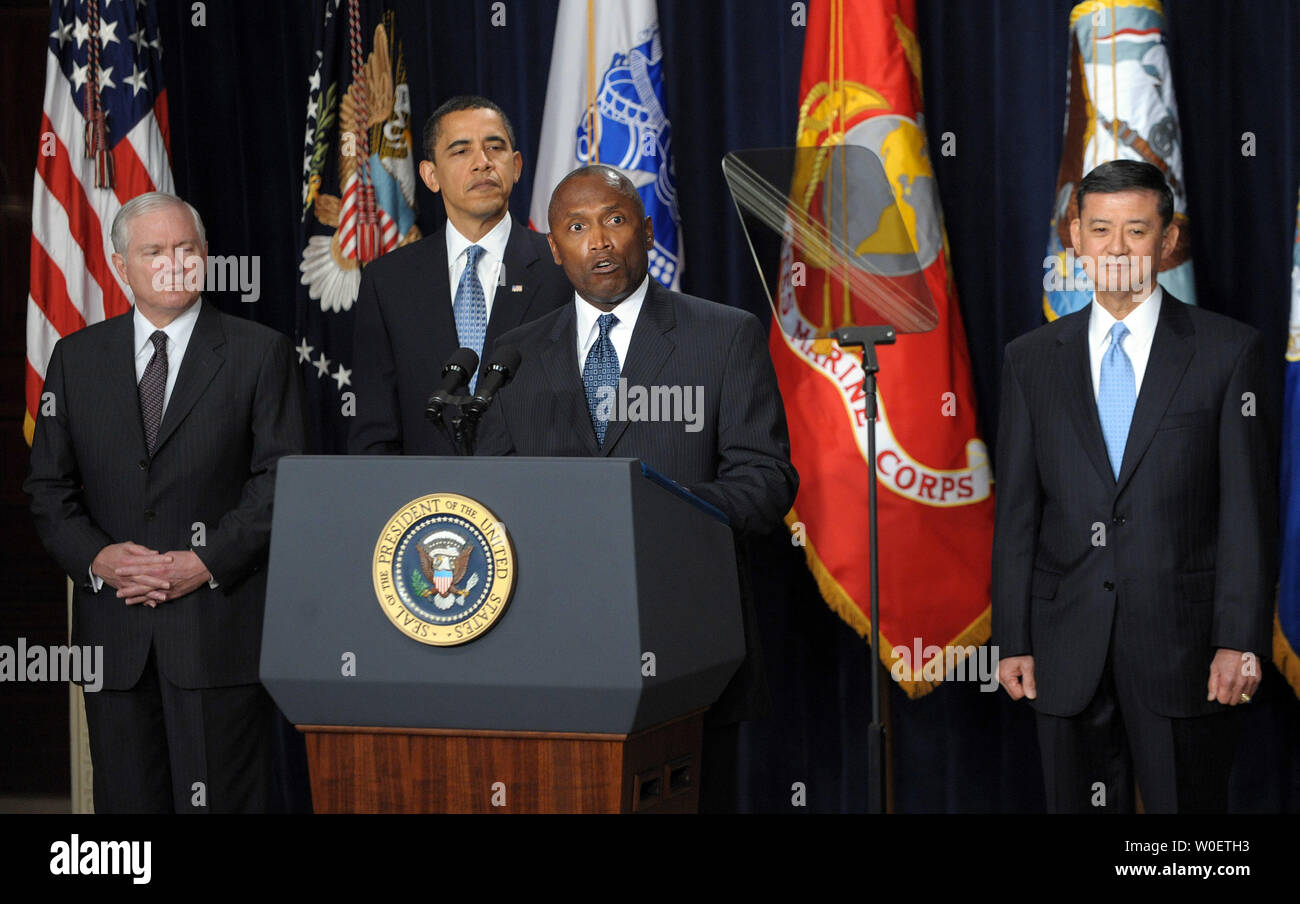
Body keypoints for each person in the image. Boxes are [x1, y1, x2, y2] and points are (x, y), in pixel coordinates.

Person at [475, 166, 797, 810]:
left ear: (646, 232)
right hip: (552, 648)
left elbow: (766, 482)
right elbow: (494, 497)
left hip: (687, 645)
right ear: (552, 247)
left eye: (615, 220)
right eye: (576, 226)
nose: (599, 241)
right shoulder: (512, 352)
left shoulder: (722, 335)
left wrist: (655, 506)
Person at [992, 160, 1277, 813]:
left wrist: (1240, 640)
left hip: (1186, 651)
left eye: (1136, 230)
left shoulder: (1228, 352)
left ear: (1168, 238)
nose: (1116, 248)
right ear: (1075, 236)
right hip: (1065, 650)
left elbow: (1246, 513)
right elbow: (1018, 515)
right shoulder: (1030, 360)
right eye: (1100, 230)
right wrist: (1015, 637)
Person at [25, 191, 307, 813]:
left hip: (218, 633)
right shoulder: (75, 359)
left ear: (206, 258)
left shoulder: (260, 353)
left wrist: (205, 562)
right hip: (115, 640)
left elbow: (282, 480)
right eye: (154, 251)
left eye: (186, 249)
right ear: (122, 266)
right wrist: (99, 560)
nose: (173, 263)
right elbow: (48, 490)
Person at [348, 95, 571, 455]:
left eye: (494, 148)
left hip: (539, 497)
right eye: (461, 151)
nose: (482, 163)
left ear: (515, 166)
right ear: (430, 176)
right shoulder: (387, 281)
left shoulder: (563, 266)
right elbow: (375, 428)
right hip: (429, 504)